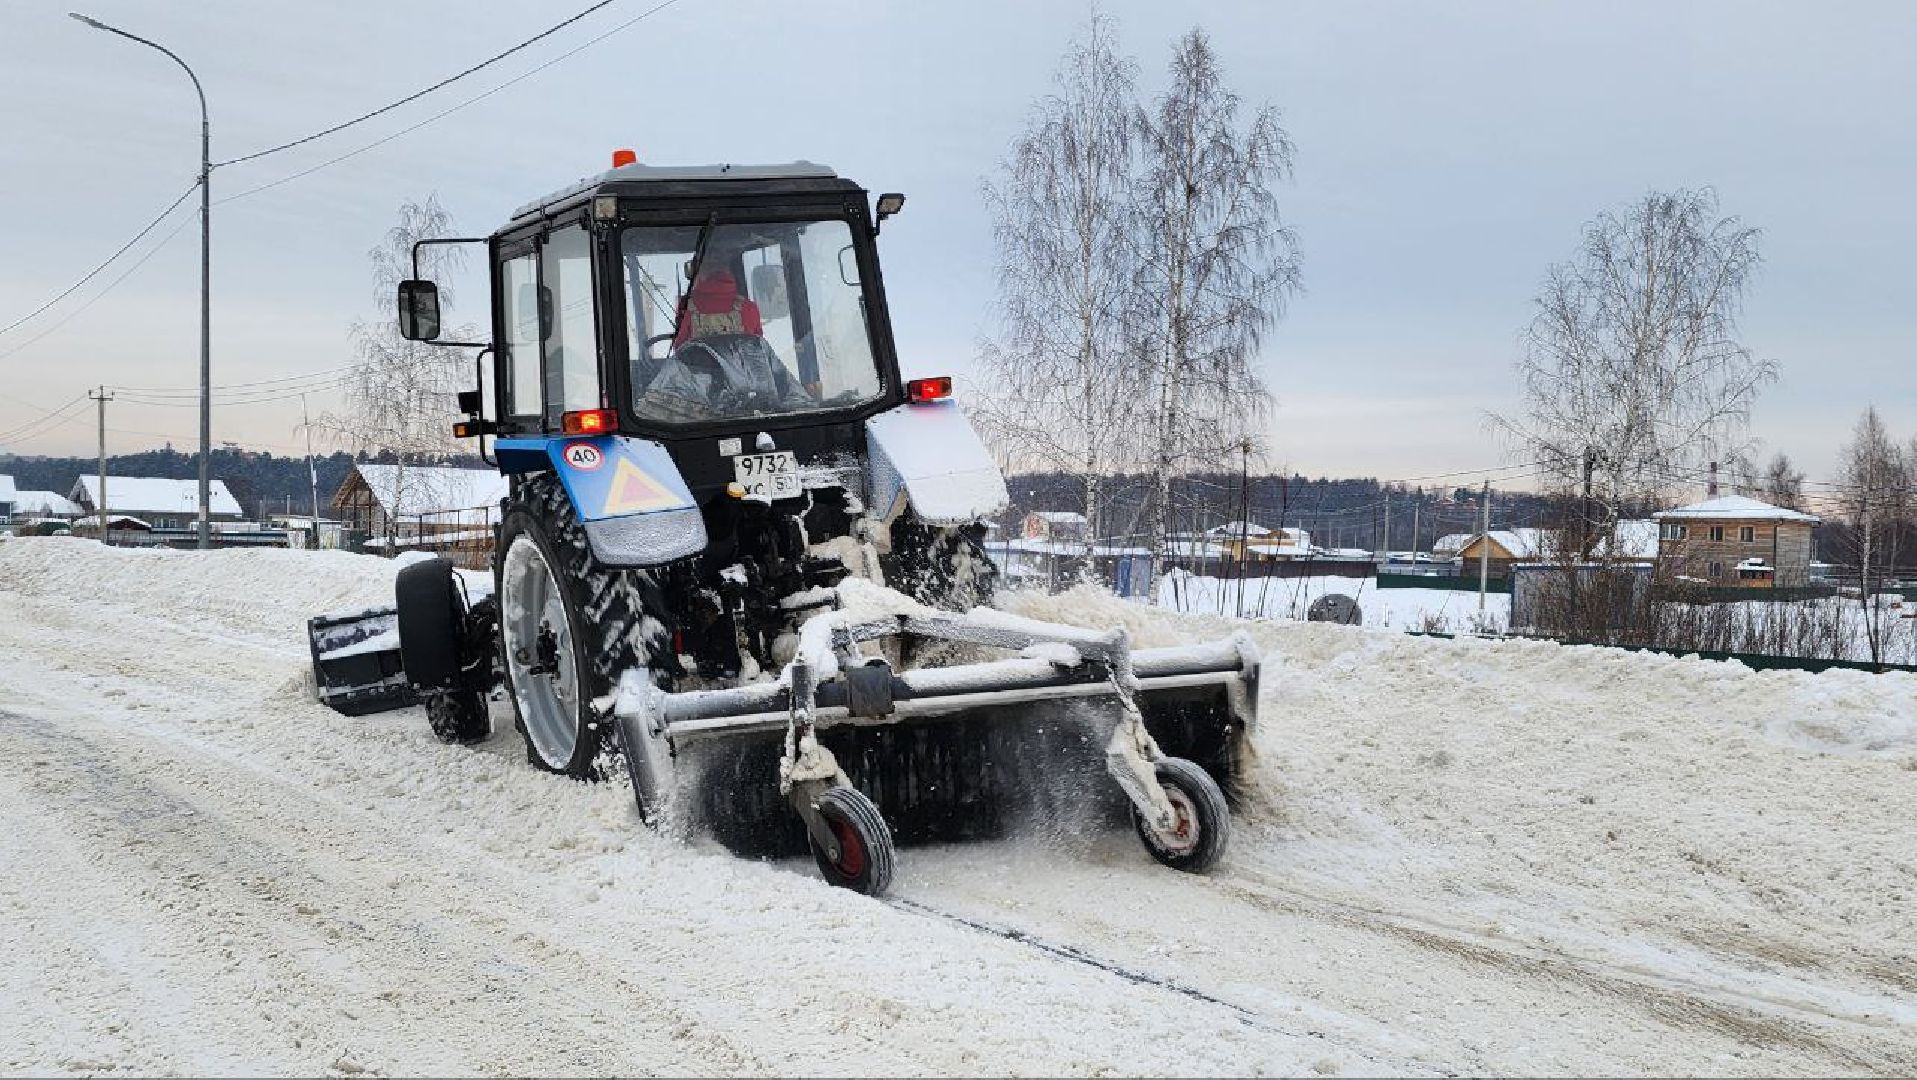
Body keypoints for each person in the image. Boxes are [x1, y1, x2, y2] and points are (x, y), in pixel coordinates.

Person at [672, 266, 762, 347]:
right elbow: (758, 348)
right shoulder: (749, 307)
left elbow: (680, 349)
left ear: (699, 274)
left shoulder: (687, 307)